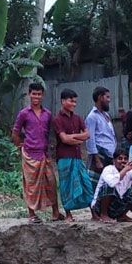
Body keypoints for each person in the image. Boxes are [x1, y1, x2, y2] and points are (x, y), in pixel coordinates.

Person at [12, 82, 62, 223]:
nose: (36, 96)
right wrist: (20, 145)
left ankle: (56, 213)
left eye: (39, 94)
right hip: (29, 155)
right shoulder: (23, 114)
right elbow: (15, 133)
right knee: (31, 185)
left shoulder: (48, 114)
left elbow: (50, 134)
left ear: (43, 95)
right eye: (34, 94)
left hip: (43, 154)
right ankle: (32, 214)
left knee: (51, 182)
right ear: (29, 94)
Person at [52, 89, 94, 220]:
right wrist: (78, 139)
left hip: (77, 157)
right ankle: (68, 214)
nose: (74, 104)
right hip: (64, 157)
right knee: (66, 186)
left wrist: (73, 137)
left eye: (75, 101)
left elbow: (87, 134)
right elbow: (64, 139)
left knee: (86, 183)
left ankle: (94, 213)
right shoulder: (57, 119)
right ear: (63, 101)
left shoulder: (78, 118)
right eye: (71, 101)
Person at [91, 147, 132, 222]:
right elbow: (112, 183)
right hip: (99, 207)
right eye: (120, 158)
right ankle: (104, 215)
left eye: (125, 159)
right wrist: (125, 169)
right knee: (108, 186)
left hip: (117, 207)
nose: (123, 161)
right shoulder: (108, 169)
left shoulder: (130, 171)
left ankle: (122, 215)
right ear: (114, 161)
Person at [85, 86, 117, 172]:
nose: (109, 100)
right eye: (107, 97)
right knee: (96, 183)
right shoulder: (92, 117)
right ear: (100, 97)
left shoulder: (106, 115)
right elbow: (90, 140)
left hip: (110, 155)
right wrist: (97, 160)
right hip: (100, 156)